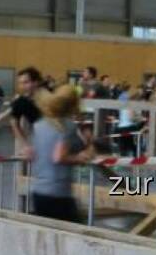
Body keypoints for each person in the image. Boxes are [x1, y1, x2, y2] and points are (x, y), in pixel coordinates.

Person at [29, 85, 94, 222]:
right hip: (58, 192)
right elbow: (59, 157)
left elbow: (33, 153)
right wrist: (79, 158)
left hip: (38, 191)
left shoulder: (39, 125)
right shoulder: (67, 126)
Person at [10, 67, 43, 157]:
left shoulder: (49, 96)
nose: (22, 86)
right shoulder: (20, 102)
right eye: (20, 83)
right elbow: (14, 124)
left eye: (26, 82)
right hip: (41, 138)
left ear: (36, 82)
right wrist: (25, 145)